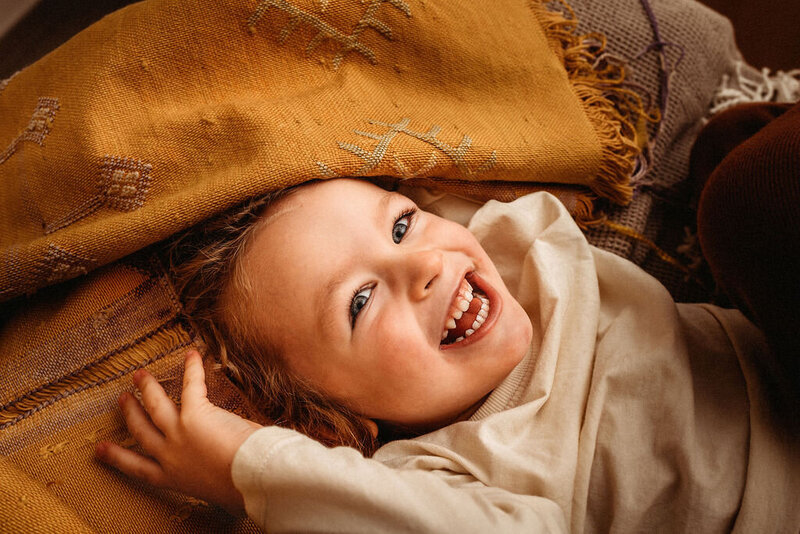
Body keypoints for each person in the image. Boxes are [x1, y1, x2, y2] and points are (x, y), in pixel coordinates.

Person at [95, 162, 800, 531]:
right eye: (361, 303)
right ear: (327, 423)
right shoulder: (446, 474)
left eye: (401, 226)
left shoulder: (501, 247)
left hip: (772, 340)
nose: (422, 264)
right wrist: (250, 469)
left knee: (742, 184)